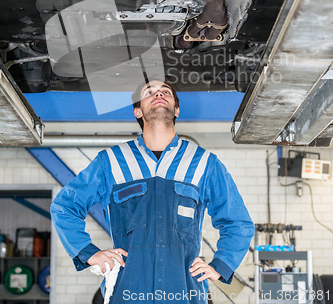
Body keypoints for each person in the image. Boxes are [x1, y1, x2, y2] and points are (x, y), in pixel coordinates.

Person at [50, 78, 254, 304]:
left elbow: (237, 222)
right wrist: (89, 253)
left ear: (176, 109)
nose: (159, 94)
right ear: (137, 111)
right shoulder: (111, 162)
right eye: (150, 92)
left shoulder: (205, 163)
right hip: (126, 291)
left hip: (184, 291)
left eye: (165, 91)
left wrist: (221, 265)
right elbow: (65, 206)